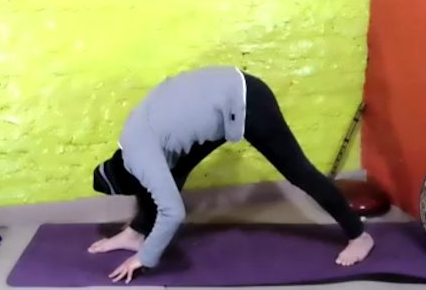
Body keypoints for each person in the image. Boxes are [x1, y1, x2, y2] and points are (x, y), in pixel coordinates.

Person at [90, 66, 375, 283]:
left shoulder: (144, 155)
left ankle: (359, 235)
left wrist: (145, 258)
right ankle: (136, 233)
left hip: (246, 100)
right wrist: (139, 229)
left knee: (300, 172)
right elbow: (159, 179)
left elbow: (173, 212)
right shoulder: (130, 139)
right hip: (217, 96)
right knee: (173, 172)